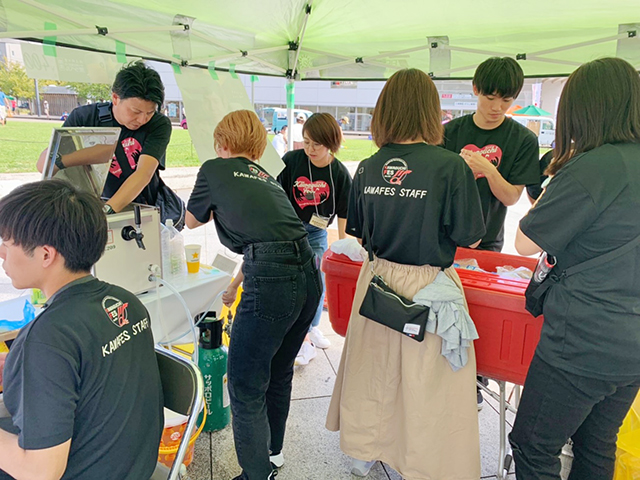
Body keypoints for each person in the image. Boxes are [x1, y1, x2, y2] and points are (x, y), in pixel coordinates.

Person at [326, 68, 486, 479]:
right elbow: (470, 235)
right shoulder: (450, 167)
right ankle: (421, 462)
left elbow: (359, 231)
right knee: (424, 382)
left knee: (373, 370)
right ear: (430, 110)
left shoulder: (367, 167)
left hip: (377, 280)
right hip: (428, 284)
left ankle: (364, 449)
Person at [509, 57, 640, 480]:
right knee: (597, 443)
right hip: (632, 343)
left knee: (533, 447)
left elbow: (525, 241)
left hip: (583, 339)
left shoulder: (595, 165)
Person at [186, 110, 321, 480]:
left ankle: (256, 475)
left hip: (272, 282)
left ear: (221, 144)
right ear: (258, 150)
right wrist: (234, 285)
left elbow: (192, 220)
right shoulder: (266, 178)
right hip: (308, 276)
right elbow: (272, 243)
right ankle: (272, 455)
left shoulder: (214, 168)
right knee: (278, 372)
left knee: (245, 385)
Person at [0, 179, 163, 480]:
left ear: (46, 255)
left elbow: (41, 472)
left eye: (7, 245)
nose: (2, 254)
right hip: (135, 467)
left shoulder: (47, 337)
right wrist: (18, 365)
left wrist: (34, 360)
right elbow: (94, 371)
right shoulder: (126, 302)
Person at [443, 56, 540, 409]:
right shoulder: (449, 132)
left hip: (488, 240)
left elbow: (513, 196)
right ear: (475, 90)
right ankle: (441, 375)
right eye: (490, 97)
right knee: (442, 308)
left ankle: (476, 380)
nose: (497, 107)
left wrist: (487, 169)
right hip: (444, 238)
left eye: (506, 100)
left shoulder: (522, 139)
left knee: (477, 312)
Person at [36, 61, 172, 215]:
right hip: (89, 206)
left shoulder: (158, 124)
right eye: (136, 111)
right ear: (115, 98)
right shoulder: (84, 118)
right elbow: (44, 166)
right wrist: (73, 158)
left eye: (150, 112)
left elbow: (143, 174)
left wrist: (105, 211)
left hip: (140, 208)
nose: (142, 120)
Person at [278, 112, 352, 365]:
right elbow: (277, 195)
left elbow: (344, 213)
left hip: (318, 232)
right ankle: (295, 331)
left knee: (317, 281)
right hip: (289, 230)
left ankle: (312, 327)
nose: (309, 149)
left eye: (316, 144)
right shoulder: (291, 160)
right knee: (291, 280)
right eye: (306, 142)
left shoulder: (339, 173)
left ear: (331, 143)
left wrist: (342, 245)